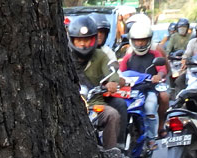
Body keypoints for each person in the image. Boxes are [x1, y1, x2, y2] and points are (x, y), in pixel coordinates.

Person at [69, 15, 126, 150]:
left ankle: (111, 154)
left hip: (94, 105)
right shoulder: (64, 56)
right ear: (72, 40)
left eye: (87, 40)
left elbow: (112, 72)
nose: (83, 44)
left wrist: (112, 82)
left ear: (93, 40)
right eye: (78, 40)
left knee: (112, 114)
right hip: (69, 105)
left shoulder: (101, 56)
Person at [119, 20, 166, 141]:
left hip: (149, 89)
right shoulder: (128, 58)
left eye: (143, 40)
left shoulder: (155, 54)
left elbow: (162, 69)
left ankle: (151, 139)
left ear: (149, 40)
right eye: (137, 40)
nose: (140, 43)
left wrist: (158, 76)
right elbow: (119, 73)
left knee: (150, 108)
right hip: (131, 91)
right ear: (132, 41)